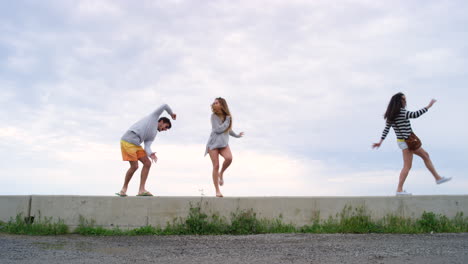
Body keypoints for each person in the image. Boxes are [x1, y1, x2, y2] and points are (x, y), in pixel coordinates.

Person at [372, 93, 451, 196]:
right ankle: (399, 190)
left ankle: (437, 178)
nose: (405, 101)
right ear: (399, 101)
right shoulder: (401, 112)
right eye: (403, 99)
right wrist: (428, 106)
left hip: (402, 141)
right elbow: (415, 115)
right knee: (407, 166)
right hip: (407, 142)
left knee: (425, 156)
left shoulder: (391, 114)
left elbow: (386, 130)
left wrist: (380, 142)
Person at [116, 104, 176, 197]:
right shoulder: (153, 117)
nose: (165, 129)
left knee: (147, 163)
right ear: (161, 121)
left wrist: (151, 154)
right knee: (135, 166)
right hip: (128, 140)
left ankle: (141, 190)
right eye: (166, 126)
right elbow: (164, 105)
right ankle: (123, 189)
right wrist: (171, 114)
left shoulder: (154, 133)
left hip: (136, 144)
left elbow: (147, 146)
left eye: (167, 128)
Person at [205, 97, 244, 197]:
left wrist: (237, 135)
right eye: (213, 103)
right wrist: (227, 121)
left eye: (216, 102)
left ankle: (221, 173)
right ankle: (217, 191)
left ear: (222, 104)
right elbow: (218, 129)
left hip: (223, 144)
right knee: (216, 165)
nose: (214, 104)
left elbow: (228, 129)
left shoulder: (227, 117)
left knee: (229, 158)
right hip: (213, 144)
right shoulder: (213, 116)